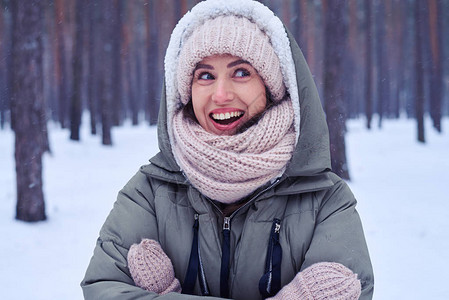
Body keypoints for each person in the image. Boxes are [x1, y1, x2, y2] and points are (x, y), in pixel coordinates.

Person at [81, 0, 374, 299]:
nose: (220, 95)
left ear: (272, 85)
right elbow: (104, 288)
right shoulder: (149, 193)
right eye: (205, 76)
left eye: (241, 73)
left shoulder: (325, 199)